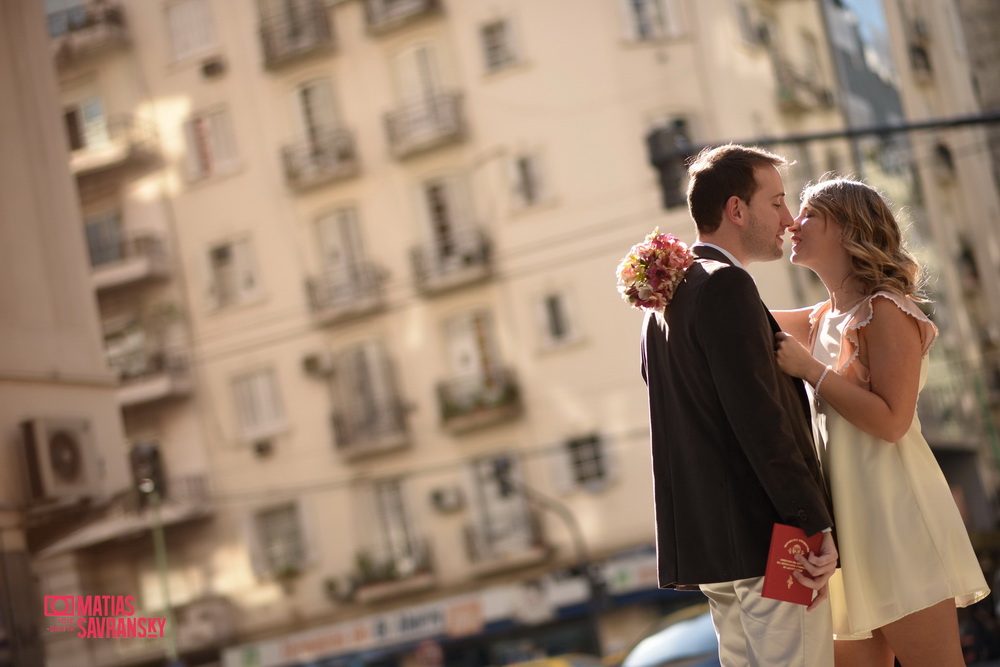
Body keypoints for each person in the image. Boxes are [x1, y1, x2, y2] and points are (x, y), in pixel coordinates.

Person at [773, 176, 990, 667]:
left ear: (848, 227)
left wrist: (811, 370)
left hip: (897, 522)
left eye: (808, 213)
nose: (792, 223)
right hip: (844, 530)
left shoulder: (887, 310)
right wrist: (675, 273)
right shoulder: (823, 317)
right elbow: (742, 316)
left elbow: (893, 421)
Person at [639, 144, 839, 666]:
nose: (789, 219)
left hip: (718, 551)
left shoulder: (669, 298)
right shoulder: (726, 285)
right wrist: (814, 525)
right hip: (771, 541)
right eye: (776, 202)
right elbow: (760, 421)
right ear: (736, 210)